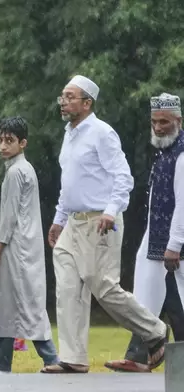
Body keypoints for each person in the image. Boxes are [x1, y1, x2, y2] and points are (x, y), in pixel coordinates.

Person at [43, 75, 169, 373]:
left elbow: (123, 177)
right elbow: (69, 182)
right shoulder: (69, 133)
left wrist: (111, 211)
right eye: (62, 96)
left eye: (70, 96)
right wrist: (59, 219)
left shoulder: (101, 133)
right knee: (68, 288)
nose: (63, 101)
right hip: (72, 224)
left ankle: (155, 330)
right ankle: (73, 357)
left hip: (100, 221)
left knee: (104, 287)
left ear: (87, 103)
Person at [105, 93, 184, 372]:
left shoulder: (182, 154)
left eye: (164, 121)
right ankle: (138, 356)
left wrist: (175, 244)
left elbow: (183, 203)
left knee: (179, 303)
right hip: (155, 241)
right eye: (155, 122)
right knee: (143, 298)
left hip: (175, 245)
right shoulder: (165, 151)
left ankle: (178, 362)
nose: (159, 127)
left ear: (178, 120)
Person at [0, 117, 58, 374]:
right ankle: (2, 365)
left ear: (23, 143)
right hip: (24, 245)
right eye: (0, 140)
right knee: (9, 304)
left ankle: (51, 359)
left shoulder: (16, 172)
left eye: (9, 141)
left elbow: (9, 217)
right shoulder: (23, 169)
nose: (2, 145)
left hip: (16, 248)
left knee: (23, 305)